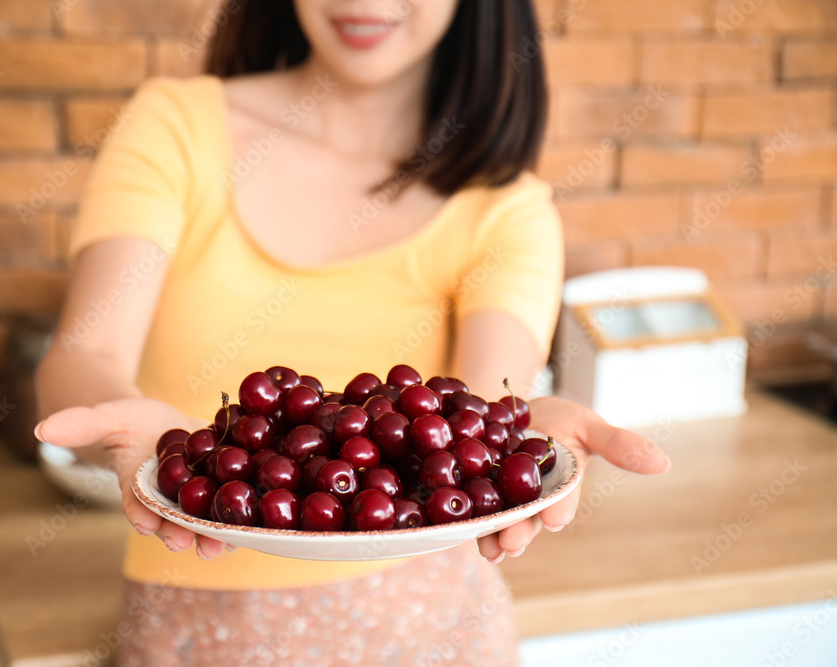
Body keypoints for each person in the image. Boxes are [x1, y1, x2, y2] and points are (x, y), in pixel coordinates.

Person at [34, 0, 671, 664]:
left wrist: (517, 439)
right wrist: (133, 432)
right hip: (193, 630)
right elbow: (86, 352)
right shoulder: (176, 125)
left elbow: (467, 426)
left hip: (432, 628)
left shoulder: (506, 208)